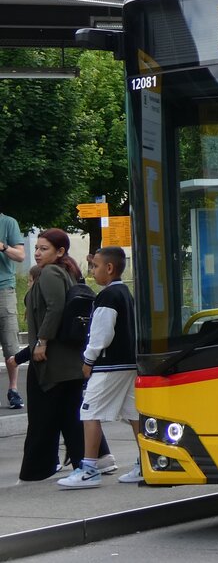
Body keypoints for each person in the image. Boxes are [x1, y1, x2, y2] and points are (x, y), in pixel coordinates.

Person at [58, 246, 141, 488]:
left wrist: (88, 360)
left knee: (89, 411)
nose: (92, 271)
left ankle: (89, 469)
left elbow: (101, 334)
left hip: (109, 365)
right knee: (133, 413)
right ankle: (147, 462)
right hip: (128, 363)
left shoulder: (106, 296)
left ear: (109, 268)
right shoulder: (125, 292)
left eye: (94, 266)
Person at [19, 229, 86, 482]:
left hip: (52, 361)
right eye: (36, 248)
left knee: (42, 416)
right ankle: (86, 462)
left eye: (43, 248)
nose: (37, 253)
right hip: (68, 361)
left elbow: (55, 307)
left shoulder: (49, 273)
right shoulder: (66, 271)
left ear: (60, 252)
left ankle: (37, 470)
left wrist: (41, 342)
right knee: (69, 415)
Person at [0, 208, 27, 409]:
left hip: (3, 289)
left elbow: (20, 255)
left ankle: (14, 389)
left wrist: (2, 247)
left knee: (10, 343)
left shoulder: (8, 222)